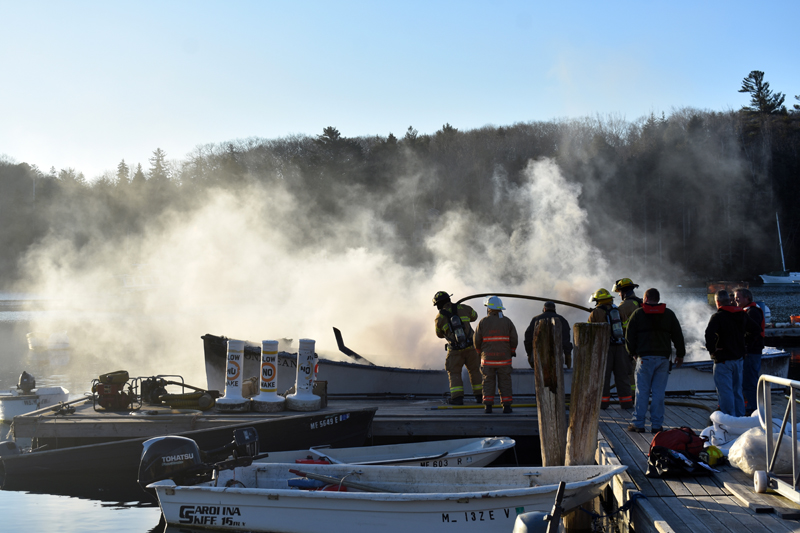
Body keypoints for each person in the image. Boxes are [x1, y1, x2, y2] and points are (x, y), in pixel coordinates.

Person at [626, 288, 685, 433]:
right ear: (658, 299)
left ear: (645, 298)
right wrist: (680, 354)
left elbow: (629, 335)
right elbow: (678, 335)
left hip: (644, 359)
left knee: (642, 392)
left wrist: (632, 352)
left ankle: (638, 424)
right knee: (659, 393)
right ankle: (657, 425)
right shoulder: (669, 314)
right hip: (663, 359)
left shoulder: (638, 314)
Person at [433, 291, 483, 405]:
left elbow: (439, 334)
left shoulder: (439, 318)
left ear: (439, 304)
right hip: (471, 347)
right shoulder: (464, 308)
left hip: (455, 351)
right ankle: (480, 397)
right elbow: (474, 316)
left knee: (454, 372)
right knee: (475, 370)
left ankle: (457, 398)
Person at [705, 289, 749, 417]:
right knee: (737, 391)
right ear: (729, 301)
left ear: (717, 302)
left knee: (725, 392)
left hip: (723, 360)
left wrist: (712, 350)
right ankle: (740, 418)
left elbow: (709, 334)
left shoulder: (718, 317)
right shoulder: (742, 315)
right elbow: (755, 329)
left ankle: (728, 419)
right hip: (739, 359)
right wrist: (745, 346)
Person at [588, 288, 633, 410]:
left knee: (603, 377)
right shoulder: (618, 310)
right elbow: (626, 329)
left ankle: (603, 404)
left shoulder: (595, 313)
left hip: (605, 349)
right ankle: (627, 403)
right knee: (623, 377)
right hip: (620, 348)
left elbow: (590, 333)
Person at [474, 296, 518, 414]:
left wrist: (479, 353)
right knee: (505, 381)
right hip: (504, 359)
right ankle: (507, 407)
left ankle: (488, 407)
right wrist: (512, 351)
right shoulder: (507, 321)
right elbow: (514, 338)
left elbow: (476, 340)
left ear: (489, 308)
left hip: (488, 359)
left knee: (488, 381)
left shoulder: (483, 322)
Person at [734, 287, 766, 415]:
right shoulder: (748, 310)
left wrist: (746, 347)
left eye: (738, 297)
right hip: (751, 351)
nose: (736, 299)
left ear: (747, 298)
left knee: (749, 381)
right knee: (749, 380)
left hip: (752, 352)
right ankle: (753, 407)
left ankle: (754, 409)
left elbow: (754, 331)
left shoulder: (752, 312)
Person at [613, 278, 643, 402]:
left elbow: (617, 323)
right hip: (642, 342)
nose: (619, 295)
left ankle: (632, 396)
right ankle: (639, 394)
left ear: (624, 292)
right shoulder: (639, 302)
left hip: (631, 344)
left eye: (619, 292)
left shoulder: (625, 306)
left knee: (629, 371)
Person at [523, 301, 573, 369]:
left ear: (544, 309)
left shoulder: (535, 320)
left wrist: (529, 354)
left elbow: (528, 338)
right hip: (556, 357)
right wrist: (568, 355)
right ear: (554, 309)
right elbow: (566, 340)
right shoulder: (562, 320)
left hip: (539, 356)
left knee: (540, 377)